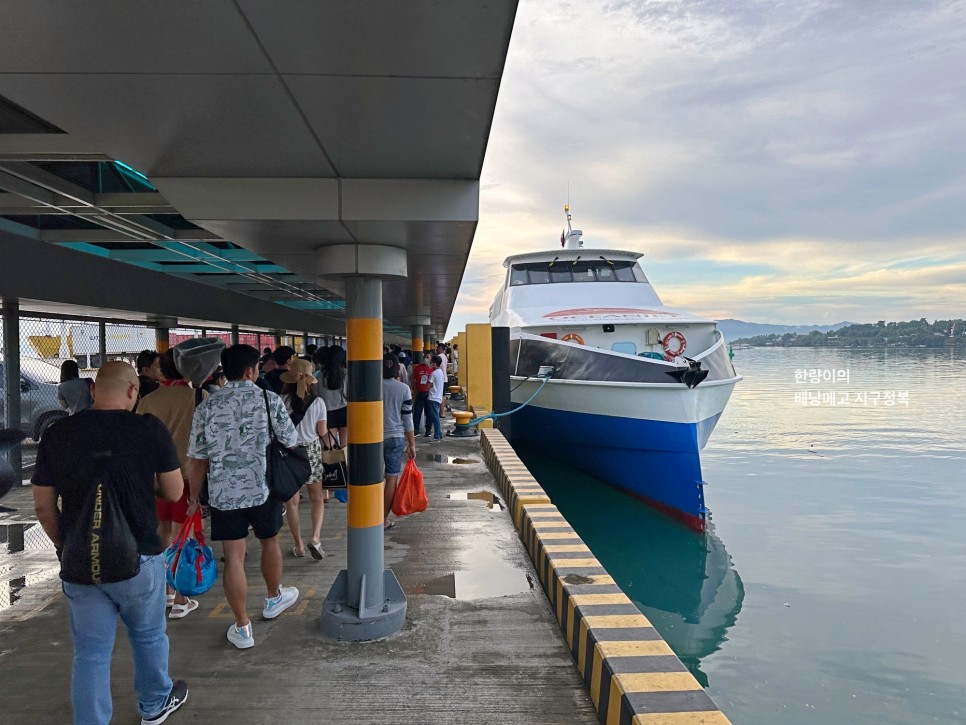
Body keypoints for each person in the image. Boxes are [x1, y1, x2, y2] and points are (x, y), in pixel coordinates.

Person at [32, 361, 188, 725]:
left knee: (90, 653)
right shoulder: (148, 428)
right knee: (148, 636)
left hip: (80, 561)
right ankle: (153, 705)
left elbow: (42, 506)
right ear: (134, 391)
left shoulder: (57, 433)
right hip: (140, 555)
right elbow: (174, 490)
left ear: (92, 390)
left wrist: (65, 544)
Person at [186, 344, 300, 650]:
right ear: (251, 370)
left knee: (234, 557)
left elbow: (197, 459)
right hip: (263, 487)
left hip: (224, 493)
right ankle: (274, 597)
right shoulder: (268, 399)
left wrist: (193, 497)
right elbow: (291, 440)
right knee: (270, 542)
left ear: (224, 370)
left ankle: (242, 627)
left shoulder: (206, 407)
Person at [137, 349, 209, 620]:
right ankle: (181, 598)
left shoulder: (148, 400)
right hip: (188, 478)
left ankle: (165, 592)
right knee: (183, 537)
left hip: (155, 478)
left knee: (161, 534)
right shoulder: (199, 398)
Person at [279, 359, 328, 560]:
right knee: (317, 498)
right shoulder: (318, 402)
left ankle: (298, 545)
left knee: (292, 502)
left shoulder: (282, 401)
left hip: (290, 451)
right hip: (312, 451)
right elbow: (322, 431)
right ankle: (315, 538)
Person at [382, 353, 416, 529]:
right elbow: (407, 419)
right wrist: (412, 444)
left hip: (373, 439)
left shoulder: (373, 386)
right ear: (397, 369)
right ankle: (383, 519)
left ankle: (368, 515)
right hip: (395, 438)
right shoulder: (404, 389)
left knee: (372, 480)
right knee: (391, 479)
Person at [317, 345, 348, 447]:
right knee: (345, 445)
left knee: (329, 446)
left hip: (327, 413)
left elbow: (316, 395)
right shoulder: (346, 374)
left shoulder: (320, 375)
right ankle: (345, 463)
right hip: (344, 411)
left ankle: (332, 463)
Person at [411, 353, 433, 437]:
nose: (426, 359)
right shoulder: (418, 368)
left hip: (428, 393)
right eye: (425, 357)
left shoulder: (432, 369)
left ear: (431, 359)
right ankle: (415, 430)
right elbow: (414, 379)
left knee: (429, 413)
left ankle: (428, 430)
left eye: (428, 357)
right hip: (420, 393)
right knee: (417, 412)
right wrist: (413, 389)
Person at [427, 354, 446, 442]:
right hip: (438, 397)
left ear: (434, 363)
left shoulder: (433, 374)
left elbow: (427, 386)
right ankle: (439, 434)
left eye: (431, 362)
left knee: (435, 418)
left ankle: (437, 435)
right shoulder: (440, 372)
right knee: (435, 417)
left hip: (432, 397)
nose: (430, 363)